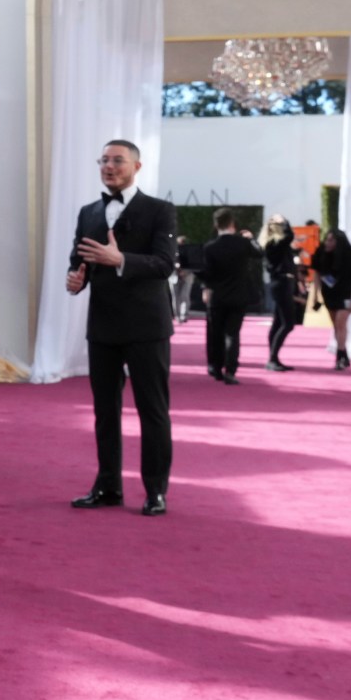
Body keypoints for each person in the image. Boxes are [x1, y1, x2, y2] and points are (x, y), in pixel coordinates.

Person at [65, 139, 178, 516]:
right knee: (104, 410)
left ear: (136, 167)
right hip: (104, 325)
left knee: (153, 410)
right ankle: (108, 485)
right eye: (104, 160)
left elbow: (164, 265)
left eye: (118, 160)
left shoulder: (160, 210)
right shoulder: (88, 212)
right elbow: (77, 259)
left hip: (148, 326)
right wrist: (75, 278)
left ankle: (156, 491)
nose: (109, 166)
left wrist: (120, 259)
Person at [197, 208, 258, 384]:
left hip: (217, 297)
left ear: (216, 225)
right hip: (238, 296)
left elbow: (206, 273)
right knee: (233, 334)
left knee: (216, 334)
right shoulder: (243, 244)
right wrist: (251, 239)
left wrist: (205, 286)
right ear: (232, 223)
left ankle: (216, 369)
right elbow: (259, 253)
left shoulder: (210, 248)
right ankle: (230, 370)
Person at [312, 228, 351, 370]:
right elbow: (317, 275)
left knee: (340, 323)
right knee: (336, 326)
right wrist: (315, 296)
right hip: (329, 294)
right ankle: (344, 354)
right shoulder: (321, 253)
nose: (327, 243)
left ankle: (339, 355)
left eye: (331, 240)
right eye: (327, 239)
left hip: (346, 294)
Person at [262, 218, 305, 372]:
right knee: (288, 323)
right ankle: (272, 358)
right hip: (281, 283)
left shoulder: (274, 244)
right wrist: (285, 221)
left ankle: (273, 358)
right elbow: (289, 236)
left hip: (282, 283)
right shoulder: (276, 243)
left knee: (278, 322)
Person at [172, 235, 200, 324]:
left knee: (185, 296)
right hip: (174, 276)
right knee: (175, 297)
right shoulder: (172, 251)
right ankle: (177, 316)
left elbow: (194, 264)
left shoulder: (191, 252)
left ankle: (184, 315)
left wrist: (185, 272)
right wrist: (176, 268)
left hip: (187, 276)